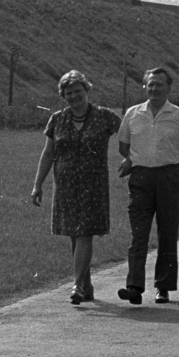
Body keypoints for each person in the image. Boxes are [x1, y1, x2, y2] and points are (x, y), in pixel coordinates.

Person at [31, 71, 123, 304]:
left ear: (87, 90)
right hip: (66, 186)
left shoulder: (105, 117)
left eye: (78, 91)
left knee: (83, 234)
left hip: (93, 185)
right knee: (75, 234)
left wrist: (130, 158)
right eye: (68, 93)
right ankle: (87, 285)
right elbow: (49, 153)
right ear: (63, 95)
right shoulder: (57, 119)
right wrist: (37, 184)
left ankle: (77, 285)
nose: (74, 96)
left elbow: (129, 136)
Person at [116, 67, 179, 305]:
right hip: (140, 179)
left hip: (168, 178)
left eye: (159, 85)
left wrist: (168, 164)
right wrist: (137, 160)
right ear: (145, 86)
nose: (154, 89)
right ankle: (134, 287)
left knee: (168, 233)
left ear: (168, 87)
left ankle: (164, 286)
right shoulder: (132, 114)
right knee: (138, 234)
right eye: (150, 84)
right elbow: (124, 146)